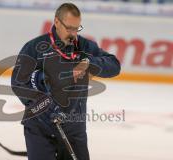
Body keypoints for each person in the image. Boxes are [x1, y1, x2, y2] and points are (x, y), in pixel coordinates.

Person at [11, 3, 121, 160]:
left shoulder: (84, 46)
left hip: (73, 128)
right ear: (56, 22)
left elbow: (114, 66)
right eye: (69, 28)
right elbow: (18, 83)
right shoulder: (34, 47)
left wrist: (89, 63)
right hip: (39, 127)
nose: (73, 33)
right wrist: (45, 107)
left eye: (77, 28)